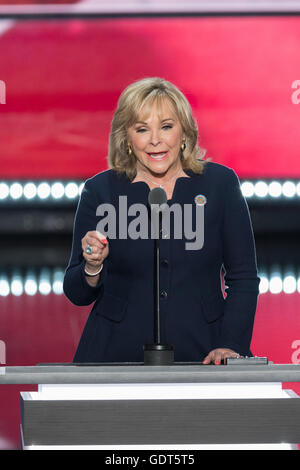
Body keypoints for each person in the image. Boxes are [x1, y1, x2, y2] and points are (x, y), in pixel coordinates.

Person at [63, 77, 260, 365]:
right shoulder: (100, 190)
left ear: (184, 133)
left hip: (205, 353)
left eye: (166, 126)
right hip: (114, 357)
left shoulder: (220, 185)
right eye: (142, 129)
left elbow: (243, 277)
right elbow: (76, 292)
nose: (155, 140)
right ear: (127, 138)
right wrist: (92, 267)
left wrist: (230, 344)